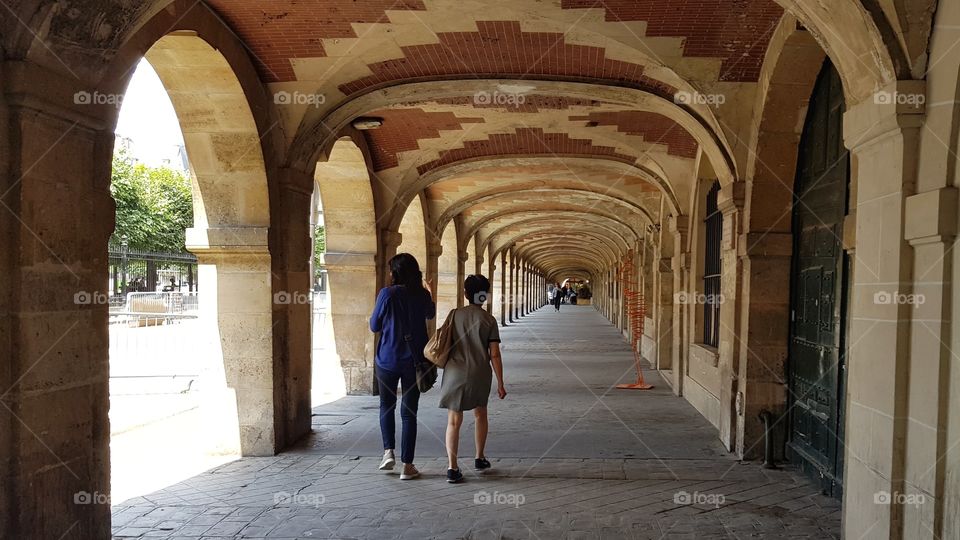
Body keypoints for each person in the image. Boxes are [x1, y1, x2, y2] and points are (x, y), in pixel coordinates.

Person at [369, 253, 436, 480]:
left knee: (386, 406)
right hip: (414, 362)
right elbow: (431, 313)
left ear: (395, 273)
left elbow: (374, 325)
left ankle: (388, 452)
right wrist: (430, 291)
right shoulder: (422, 295)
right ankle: (408, 466)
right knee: (409, 413)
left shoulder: (386, 294)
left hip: (387, 360)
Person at [438, 275, 507, 483]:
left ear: (466, 294)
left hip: (454, 372)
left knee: (454, 421)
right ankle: (479, 457)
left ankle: (452, 467)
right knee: (480, 414)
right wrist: (501, 382)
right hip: (479, 373)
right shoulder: (489, 320)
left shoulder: (454, 314)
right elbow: (494, 353)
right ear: (485, 295)